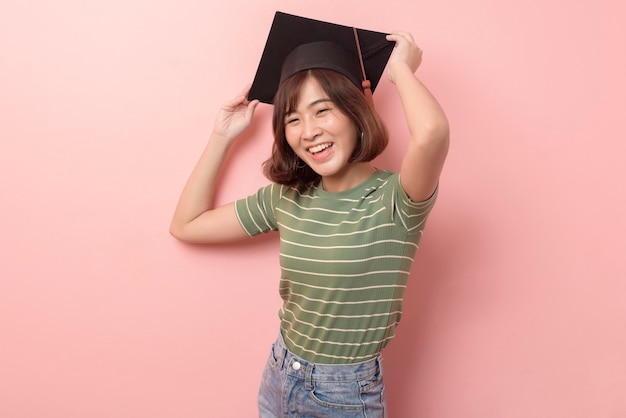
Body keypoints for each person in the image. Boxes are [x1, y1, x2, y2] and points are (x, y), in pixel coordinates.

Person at [169, 11, 449, 418]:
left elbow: (432, 134)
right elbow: (186, 225)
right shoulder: (288, 198)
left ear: (356, 110)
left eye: (322, 110)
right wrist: (222, 136)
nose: (308, 131)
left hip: (343, 394)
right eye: (293, 119)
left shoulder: (396, 199)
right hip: (280, 372)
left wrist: (402, 70)